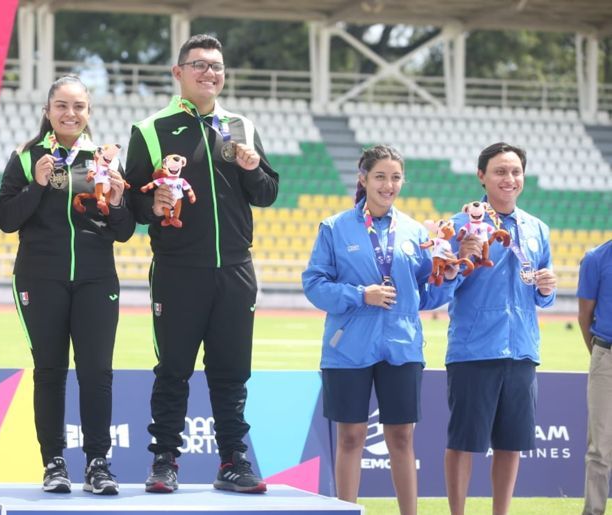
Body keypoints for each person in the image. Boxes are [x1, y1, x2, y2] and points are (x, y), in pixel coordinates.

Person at [125, 34, 279, 494]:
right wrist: (152, 207)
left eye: (216, 66)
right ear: (178, 73)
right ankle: (164, 461)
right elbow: (130, 203)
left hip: (235, 268)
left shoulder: (241, 127)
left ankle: (233, 459)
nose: (209, 72)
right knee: (173, 369)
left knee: (231, 372)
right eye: (199, 65)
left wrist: (252, 167)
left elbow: (267, 193)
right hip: (178, 269)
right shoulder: (151, 129)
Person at [0, 75, 135, 495]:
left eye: (78, 106)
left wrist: (115, 202)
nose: (70, 113)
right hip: (40, 278)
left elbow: (125, 230)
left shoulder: (105, 160)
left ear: (89, 112)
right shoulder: (26, 157)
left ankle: (97, 463)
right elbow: (6, 220)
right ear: (47, 111)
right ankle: (53, 463)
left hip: (96, 278)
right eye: (62, 105)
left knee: (97, 373)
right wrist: (37, 185)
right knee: (50, 372)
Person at [301, 145, 457, 514]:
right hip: (347, 347)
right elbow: (314, 285)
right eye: (380, 177)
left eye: (396, 177)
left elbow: (425, 296)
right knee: (351, 436)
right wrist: (360, 294)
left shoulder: (415, 232)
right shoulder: (335, 228)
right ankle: (346, 510)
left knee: (401, 437)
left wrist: (448, 277)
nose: (389, 185)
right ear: (364, 178)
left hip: (401, 346)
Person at [443, 142, 557, 515]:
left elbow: (541, 296)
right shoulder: (461, 225)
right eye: (500, 171)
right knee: (463, 442)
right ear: (482, 176)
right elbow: (440, 287)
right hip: (474, 349)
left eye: (515, 171)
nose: (509, 178)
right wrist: (461, 260)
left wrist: (546, 289)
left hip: (522, 350)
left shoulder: (537, 228)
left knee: (511, 444)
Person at [579, 239, 612, 515]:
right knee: (599, 448)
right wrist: (599, 356)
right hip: (606, 355)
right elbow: (584, 316)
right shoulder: (596, 259)